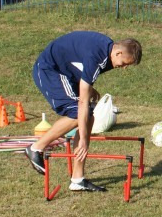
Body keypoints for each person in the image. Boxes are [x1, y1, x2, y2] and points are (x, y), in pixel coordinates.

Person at [25, 31, 142, 192]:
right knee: (77, 114)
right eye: (123, 63)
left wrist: (89, 88)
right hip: (50, 70)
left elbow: (80, 62)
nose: (123, 68)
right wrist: (84, 141)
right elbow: (82, 102)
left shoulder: (107, 52)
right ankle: (36, 148)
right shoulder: (98, 57)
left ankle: (77, 179)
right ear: (118, 53)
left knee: (89, 117)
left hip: (67, 73)